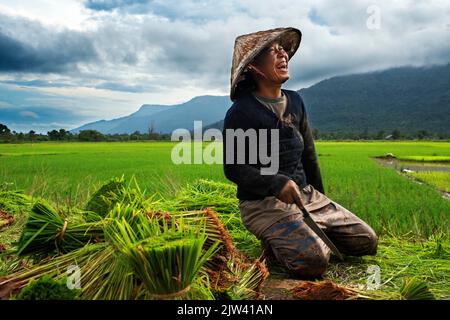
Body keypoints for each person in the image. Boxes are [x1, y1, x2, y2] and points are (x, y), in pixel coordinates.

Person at [222, 27, 378, 278]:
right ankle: (275, 243)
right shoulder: (241, 112)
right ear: (253, 67)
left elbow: (309, 155)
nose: (282, 54)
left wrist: (324, 204)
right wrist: (275, 183)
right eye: (273, 51)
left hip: (306, 196)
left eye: (283, 49)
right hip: (263, 204)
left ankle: (304, 232)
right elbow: (233, 168)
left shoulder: (296, 101)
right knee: (314, 261)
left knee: (367, 241)